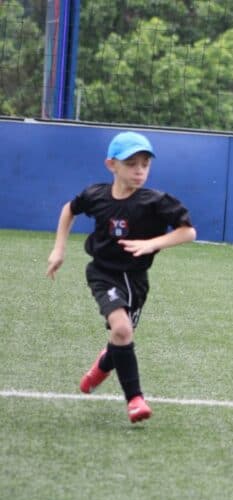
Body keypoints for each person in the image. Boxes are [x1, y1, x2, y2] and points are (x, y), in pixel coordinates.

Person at [45, 131, 196, 423]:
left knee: (121, 336)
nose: (140, 171)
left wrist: (152, 244)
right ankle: (135, 400)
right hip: (103, 273)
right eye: (131, 164)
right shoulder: (96, 196)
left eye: (145, 164)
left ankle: (103, 365)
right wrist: (58, 250)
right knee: (123, 330)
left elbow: (188, 231)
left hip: (136, 280)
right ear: (111, 165)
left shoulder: (156, 201)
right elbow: (69, 210)